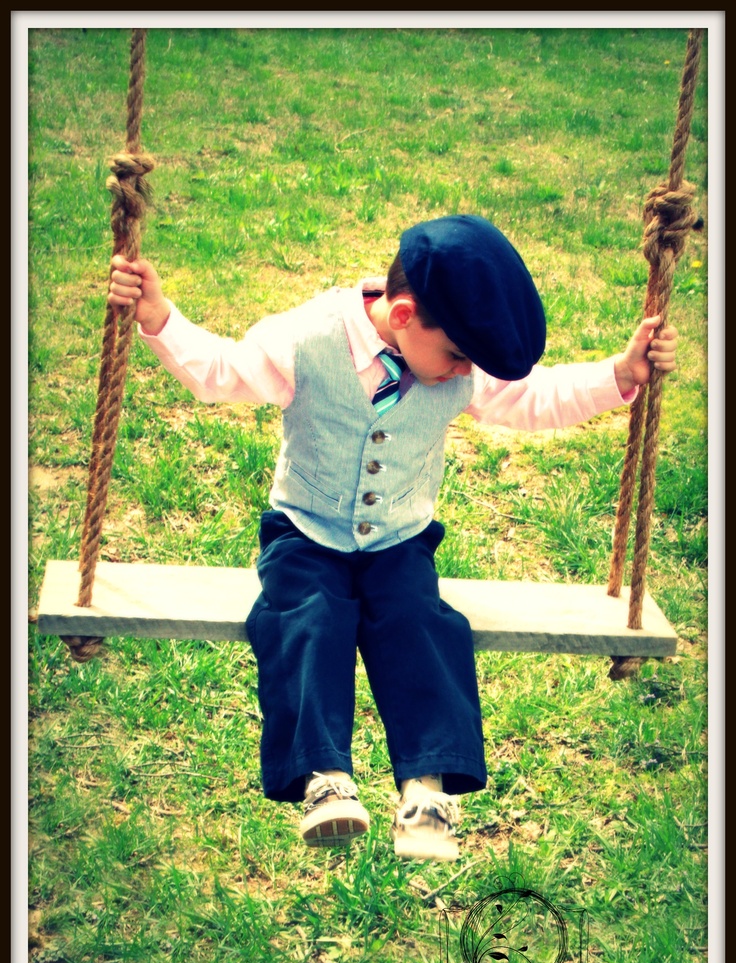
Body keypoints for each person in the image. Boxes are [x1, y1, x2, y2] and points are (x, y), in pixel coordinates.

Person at [108, 214, 678, 862]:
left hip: (399, 540)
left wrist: (621, 373)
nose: (463, 371)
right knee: (303, 616)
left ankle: (426, 787)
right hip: (305, 529)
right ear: (402, 314)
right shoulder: (306, 337)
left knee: (421, 621)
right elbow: (220, 372)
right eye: (458, 357)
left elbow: (533, 396)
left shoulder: (452, 356)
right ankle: (324, 779)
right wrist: (159, 318)